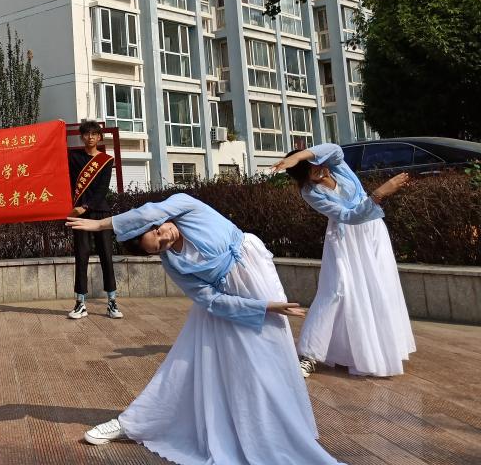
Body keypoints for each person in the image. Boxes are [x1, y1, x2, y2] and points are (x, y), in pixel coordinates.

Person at [67, 193, 343, 465]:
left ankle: (281, 430)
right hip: (231, 306)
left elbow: (148, 211)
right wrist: (263, 307)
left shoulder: (186, 207)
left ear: (155, 221)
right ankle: (134, 422)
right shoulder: (172, 262)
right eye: (158, 247)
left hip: (258, 280)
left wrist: (102, 224)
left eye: (158, 232)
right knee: (189, 365)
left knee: (270, 360)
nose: (165, 239)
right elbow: (209, 299)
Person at [274, 144, 415, 378]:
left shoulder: (337, 167)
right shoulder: (310, 192)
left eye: (317, 163)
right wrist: (379, 194)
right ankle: (308, 354)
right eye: (312, 170)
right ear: (304, 177)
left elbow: (335, 150)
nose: (320, 168)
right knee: (335, 291)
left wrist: (299, 155)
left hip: (373, 234)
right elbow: (347, 216)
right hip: (345, 239)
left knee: (381, 287)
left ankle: (381, 349)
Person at [67, 121, 120, 319]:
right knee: (81, 256)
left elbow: (102, 190)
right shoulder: (74, 158)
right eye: (87, 134)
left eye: (94, 134)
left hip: (100, 213)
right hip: (79, 215)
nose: (90, 137)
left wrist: (85, 206)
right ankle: (80, 303)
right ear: (82, 137)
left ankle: (112, 302)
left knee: (106, 255)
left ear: (99, 137)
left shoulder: (106, 160)